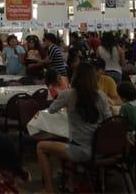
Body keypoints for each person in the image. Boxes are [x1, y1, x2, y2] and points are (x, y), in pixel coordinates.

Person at [36, 63, 112, 193]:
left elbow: (52, 110)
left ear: (75, 77)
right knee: (68, 141)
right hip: (100, 149)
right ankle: (72, 181)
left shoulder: (68, 95)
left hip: (80, 151)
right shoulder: (101, 96)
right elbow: (108, 121)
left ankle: (48, 188)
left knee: (41, 147)